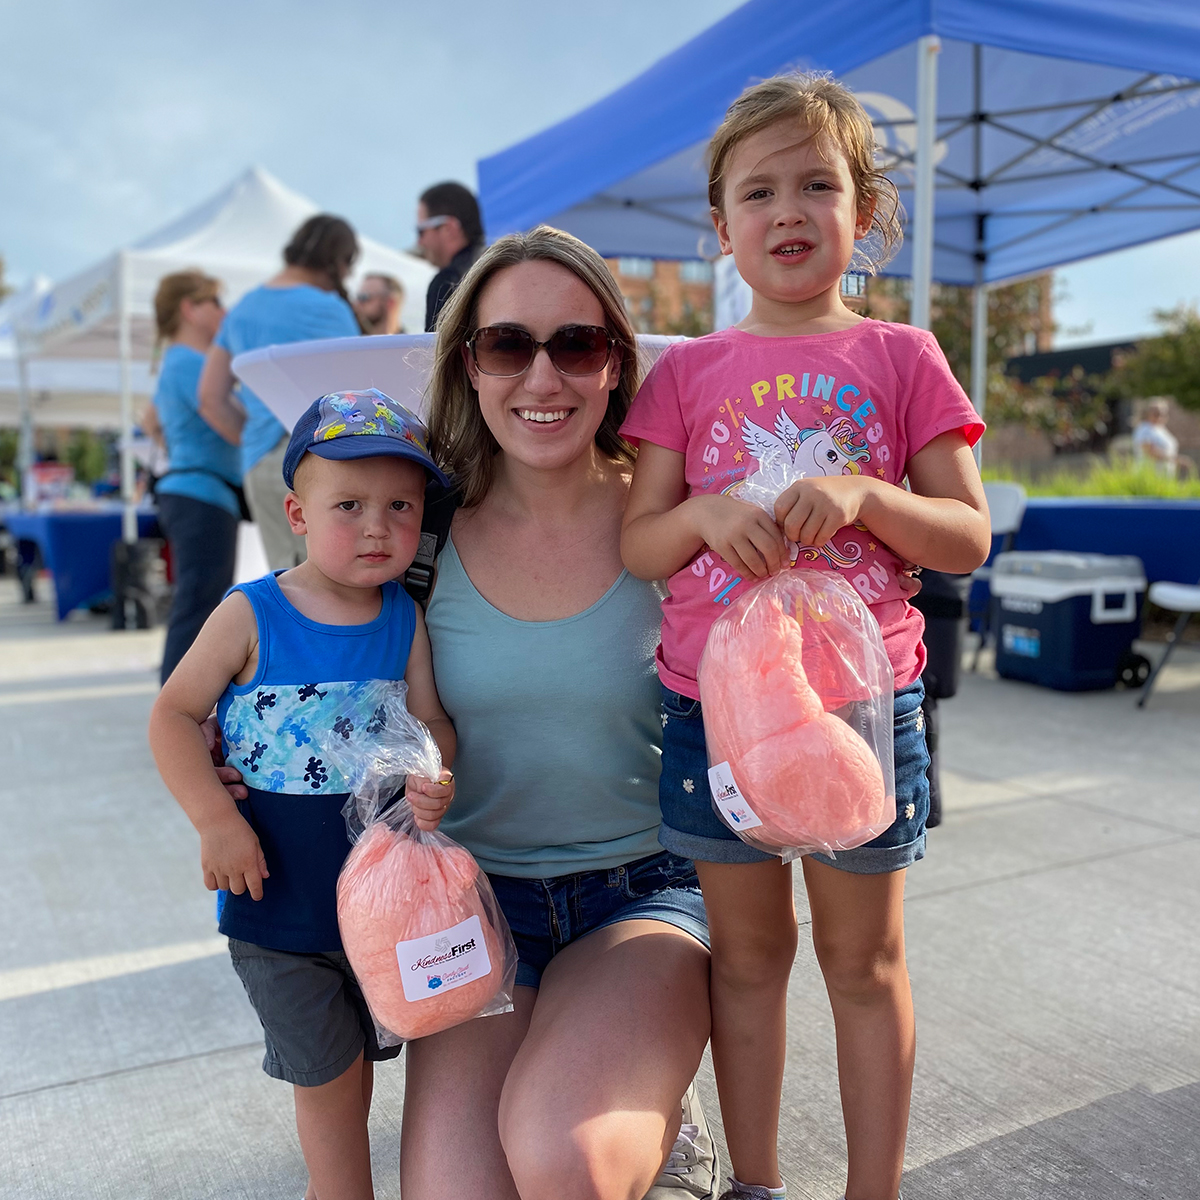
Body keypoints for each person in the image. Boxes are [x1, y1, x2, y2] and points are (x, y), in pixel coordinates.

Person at [620, 73, 991, 1200]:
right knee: (747, 960)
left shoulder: (904, 355)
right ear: (721, 228)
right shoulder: (681, 373)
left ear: (864, 212)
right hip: (714, 715)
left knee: (862, 963)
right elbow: (639, 546)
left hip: (864, 711)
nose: (788, 211)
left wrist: (870, 495)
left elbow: (967, 534)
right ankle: (760, 1186)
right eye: (759, 190)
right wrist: (698, 518)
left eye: (817, 185)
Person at [395, 226, 717, 1200]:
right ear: (470, 366)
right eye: (508, 345)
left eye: (576, 344)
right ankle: (622, 1083)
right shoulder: (417, 530)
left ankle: (655, 1111)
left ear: (616, 362)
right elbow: (303, 641)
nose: (544, 375)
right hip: (477, 908)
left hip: (646, 890)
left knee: (564, 1162)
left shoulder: (681, 513)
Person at [150, 389, 456, 1200]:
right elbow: (174, 716)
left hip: (384, 905)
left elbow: (431, 725)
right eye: (348, 505)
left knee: (351, 1068)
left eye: (400, 506)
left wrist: (436, 777)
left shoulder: (404, 619)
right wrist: (216, 822)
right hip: (277, 906)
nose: (376, 527)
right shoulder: (250, 614)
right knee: (325, 1078)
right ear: (295, 511)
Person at [199, 215, 363, 571]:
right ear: (340, 262)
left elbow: (210, 397)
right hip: (323, 457)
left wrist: (256, 440)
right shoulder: (329, 309)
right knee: (333, 588)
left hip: (260, 463)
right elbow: (358, 393)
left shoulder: (242, 309)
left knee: (285, 584)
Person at [143, 271, 241, 684]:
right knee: (198, 607)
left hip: (192, 490)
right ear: (189, 308)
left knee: (196, 603)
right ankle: (175, 713)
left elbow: (150, 420)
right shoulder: (191, 362)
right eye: (215, 302)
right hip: (203, 494)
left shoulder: (175, 362)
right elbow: (224, 416)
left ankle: (177, 709)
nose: (224, 310)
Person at [417, 181, 485, 331]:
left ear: (449, 228)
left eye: (421, 231)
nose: (419, 242)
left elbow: (435, 353)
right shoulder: (503, 269)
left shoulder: (448, 281)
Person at [1132, 397, 1179, 476]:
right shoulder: (1144, 429)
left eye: (1163, 414)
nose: (1160, 417)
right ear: (1148, 413)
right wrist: (1175, 459)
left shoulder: (1162, 429)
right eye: (1156, 414)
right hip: (1149, 475)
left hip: (1164, 474)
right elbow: (1149, 451)